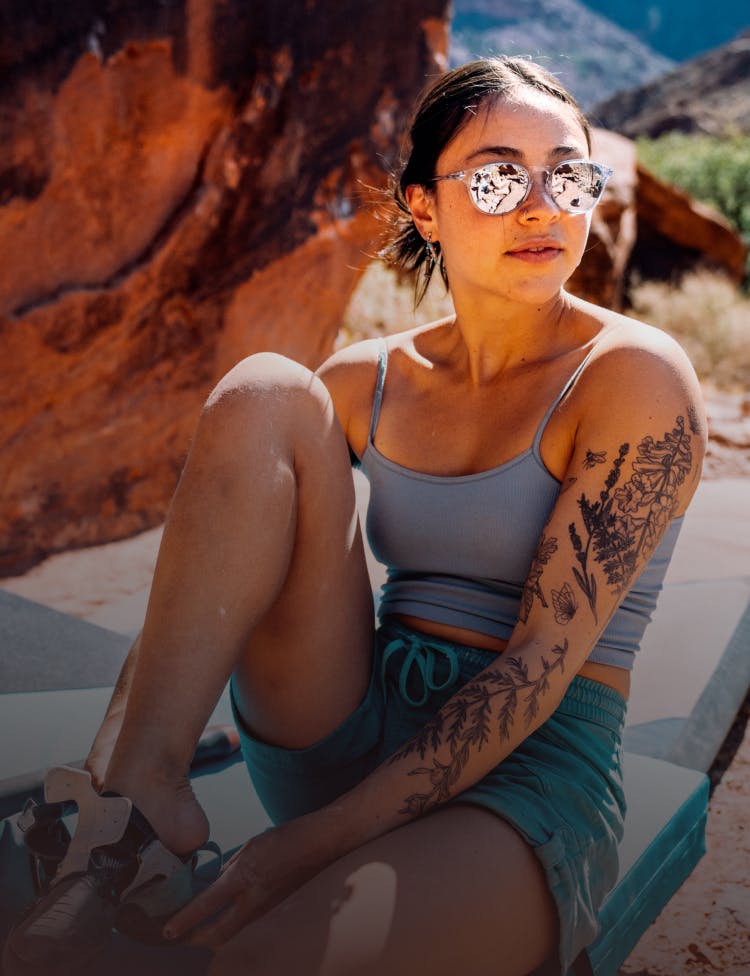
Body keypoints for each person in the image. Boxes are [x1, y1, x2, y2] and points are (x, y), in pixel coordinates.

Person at [5, 56, 706, 976]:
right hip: (351, 720)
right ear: (425, 207)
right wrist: (121, 762)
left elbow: (540, 663)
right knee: (265, 390)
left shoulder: (635, 377)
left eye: (569, 175)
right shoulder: (365, 380)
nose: (543, 206)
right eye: (499, 177)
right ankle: (134, 807)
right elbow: (207, 579)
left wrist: (305, 845)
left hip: (529, 770)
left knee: (268, 962)